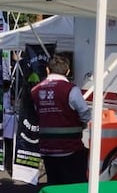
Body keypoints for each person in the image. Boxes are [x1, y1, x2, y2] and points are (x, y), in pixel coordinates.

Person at [30, 55, 90, 185]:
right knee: (75, 186)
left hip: (47, 149)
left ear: (47, 70)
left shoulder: (35, 90)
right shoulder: (71, 90)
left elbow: (36, 114)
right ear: (68, 71)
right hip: (71, 149)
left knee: (54, 184)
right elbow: (85, 114)